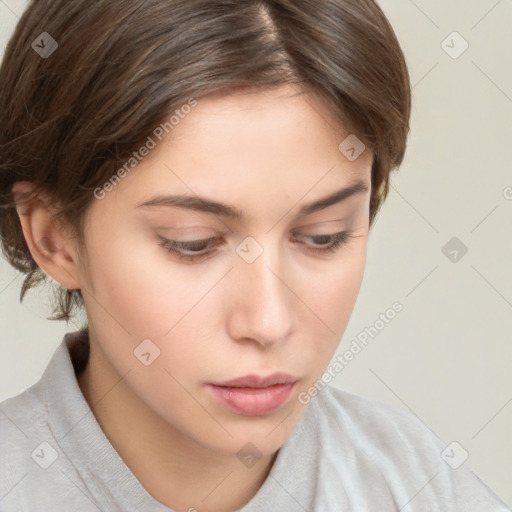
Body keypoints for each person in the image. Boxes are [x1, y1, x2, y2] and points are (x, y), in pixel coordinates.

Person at [0, 1, 508, 511]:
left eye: (323, 236)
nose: (269, 321)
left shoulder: (424, 488)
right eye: (192, 242)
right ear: (53, 238)